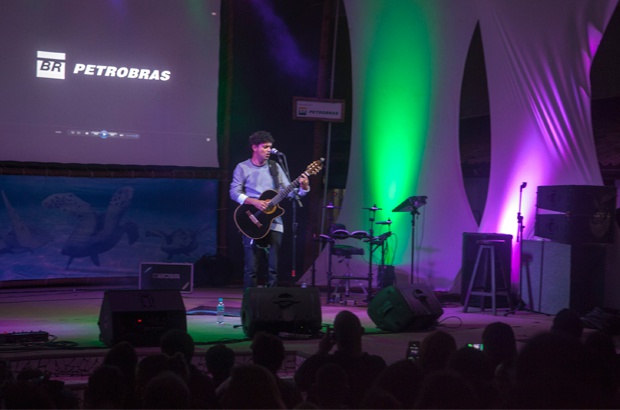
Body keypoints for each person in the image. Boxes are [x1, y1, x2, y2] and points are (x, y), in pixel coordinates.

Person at [230, 130, 310, 288]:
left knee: (273, 268)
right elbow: (234, 192)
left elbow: (290, 193)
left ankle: (271, 301)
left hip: (274, 222)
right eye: (265, 147)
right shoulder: (242, 167)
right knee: (251, 268)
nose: (268, 151)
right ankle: (250, 300)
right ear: (254, 147)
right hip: (251, 219)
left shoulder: (275, 167)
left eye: (270, 147)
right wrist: (254, 202)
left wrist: (304, 187)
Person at [294, 310, 387, 408]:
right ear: (362, 331)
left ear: (333, 337)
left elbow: (300, 381)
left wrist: (322, 351)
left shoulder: (323, 365)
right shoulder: (376, 365)